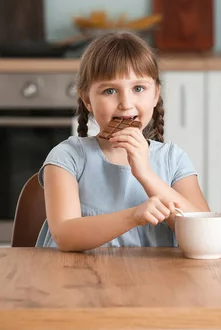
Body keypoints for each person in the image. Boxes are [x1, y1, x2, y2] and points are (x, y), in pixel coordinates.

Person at [36, 32, 209, 251]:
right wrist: (133, 216)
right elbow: (66, 235)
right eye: (110, 90)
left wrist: (145, 175)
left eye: (138, 88)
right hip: (79, 280)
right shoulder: (67, 157)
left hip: (157, 282)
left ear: (156, 94)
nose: (126, 103)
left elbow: (204, 229)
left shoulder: (172, 159)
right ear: (87, 99)